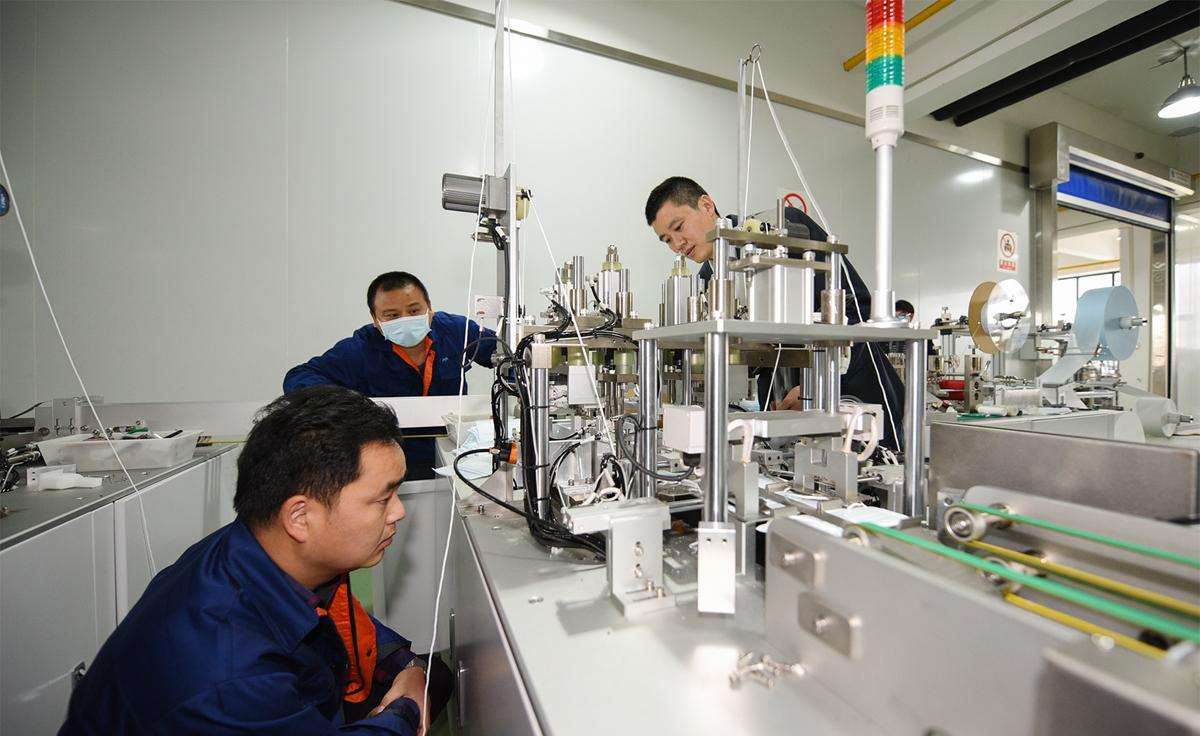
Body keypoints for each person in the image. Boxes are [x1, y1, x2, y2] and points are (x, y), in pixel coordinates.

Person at [61, 386, 453, 735]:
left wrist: (409, 668)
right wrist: (405, 709)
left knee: (438, 677)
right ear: (300, 517)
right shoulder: (230, 676)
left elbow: (341, 621)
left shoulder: (254, 550)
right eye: (383, 498)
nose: (398, 512)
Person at [644, 176, 906, 450]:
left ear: (707, 206)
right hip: (781, 406)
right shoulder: (707, 281)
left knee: (870, 469)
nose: (677, 244)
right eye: (667, 240)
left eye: (678, 227)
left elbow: (856, 311)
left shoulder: (783, 230)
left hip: (854, 397)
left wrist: (817, 389)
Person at [284, 271, 497, 479]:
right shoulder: (360, 349)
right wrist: (348, 406)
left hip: (451, 448)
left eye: (414, 311)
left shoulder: (456, 331)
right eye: (392, 315)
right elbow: (299, 376)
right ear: (376, 319)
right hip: (389, 454)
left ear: (429, 308)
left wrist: (508, 403)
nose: (405, 319)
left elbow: (504, 355)